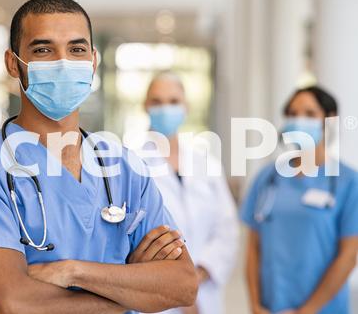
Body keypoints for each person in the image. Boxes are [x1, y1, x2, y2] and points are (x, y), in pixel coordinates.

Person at [0, 0, 197, 314]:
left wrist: (73, 271)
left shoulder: (124, 167)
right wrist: (128, 291)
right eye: (43, 50)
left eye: (76, 49)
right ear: (12, 63)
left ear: (92, 61)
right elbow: (12, 303)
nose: (63, 62)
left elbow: (183, 285)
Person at [241, 86, 358, 314]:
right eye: (293, 114)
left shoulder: (348, 182)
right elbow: (253, 248)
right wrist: (255, 305)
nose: (298, 121)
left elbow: (349, 255)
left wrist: (306, 311)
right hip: (270, 307)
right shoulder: (267, 178)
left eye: (309, 114)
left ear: (329, 120)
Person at [141, 72, 239, 314]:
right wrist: (177, 284)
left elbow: (226, 229)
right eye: (157, 101)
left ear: (186, 107)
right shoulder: (131, 164)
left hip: (205, 291)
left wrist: (196, 276)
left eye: (173, 101)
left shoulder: (206, 163)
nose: (166, 108)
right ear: (145, 106)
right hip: (155, 295)